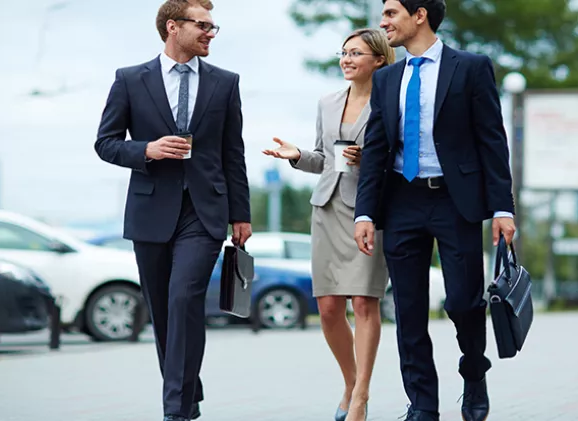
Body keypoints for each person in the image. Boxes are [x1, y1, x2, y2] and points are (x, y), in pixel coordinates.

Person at [353, 1, 516, 420]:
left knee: (463, 301)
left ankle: (474, 372)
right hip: (402, 200)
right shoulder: (387, 78)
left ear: (419, 15)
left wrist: (502, 207)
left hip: (454, 200)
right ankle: (422, 404)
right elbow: (375, 149)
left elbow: (492, 141)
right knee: (408, 311)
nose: (383, 22)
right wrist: (365, 213)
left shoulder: (471, 68)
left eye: (391, 13)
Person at [93, 1, 251, 420]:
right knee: (163, 312)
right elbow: (105, 143)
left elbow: (232, 152)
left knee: (184, 299)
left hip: (205, 212)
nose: (210, 33)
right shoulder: (129, 80)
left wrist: (242, 214)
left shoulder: (225, 83)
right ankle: (187, 387)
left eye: (214, 27)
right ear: (172, 27)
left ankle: (176, 411)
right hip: (150, 211)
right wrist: (146, 148)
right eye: (203, 25)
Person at [263, 28, 395, 421]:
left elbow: (399, 158)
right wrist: (296, 155)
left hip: (368, 212)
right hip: (326, 206)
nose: (347, 59)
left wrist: (368, 160)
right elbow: (324, 158)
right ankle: (351, 381)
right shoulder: (327, 102)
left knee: (363, 303)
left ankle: (360, 398)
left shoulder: (390, 103)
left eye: (356, 53)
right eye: (344, 53)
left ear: (379, 60)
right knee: (328, 308)